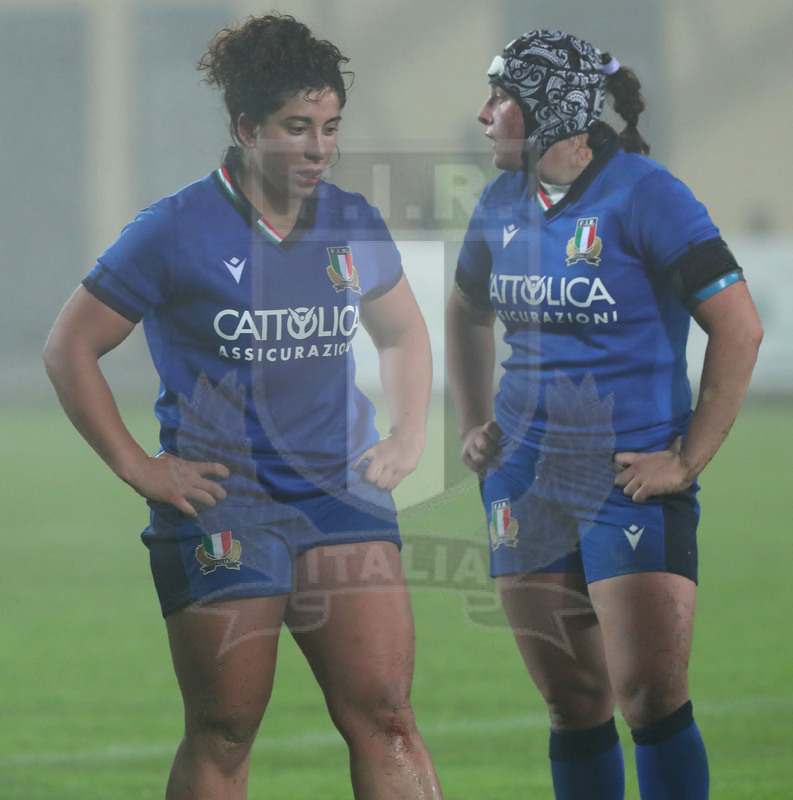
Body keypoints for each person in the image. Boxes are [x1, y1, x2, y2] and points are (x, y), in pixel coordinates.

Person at [44, 14, 443, 800]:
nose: (318, 147)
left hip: (340, 496)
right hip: (224, 505)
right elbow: (69, 349)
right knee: (225, 729)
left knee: (388, 715)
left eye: (329, 127)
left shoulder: (351, 219)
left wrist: (407, 434)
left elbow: (400, 332)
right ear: (244, 127)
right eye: (297, 128)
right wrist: (137, 465)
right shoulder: (171, 231)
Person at [446, 29, 762, 800]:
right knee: (572, 703)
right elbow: (465, 310)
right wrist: (474, 420)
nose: (484, 114)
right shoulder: (498, 201)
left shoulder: (647, 195)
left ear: (552, 110)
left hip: (627, 477)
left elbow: (739, 326)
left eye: (501, 98)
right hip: (522, 477)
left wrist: (685, 459)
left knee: (650, 701)